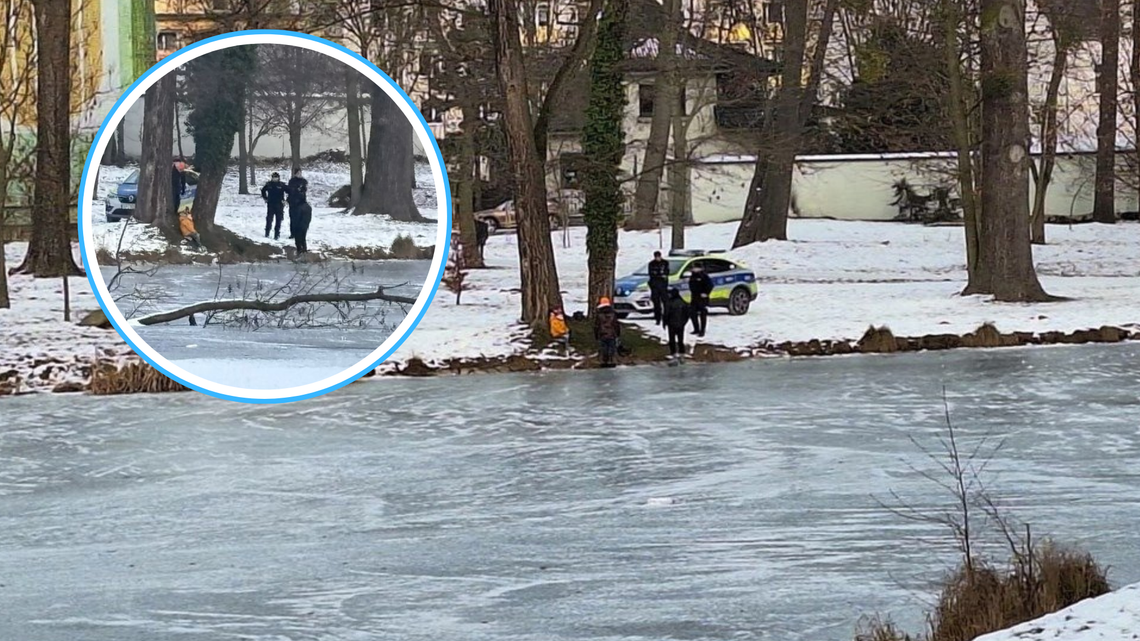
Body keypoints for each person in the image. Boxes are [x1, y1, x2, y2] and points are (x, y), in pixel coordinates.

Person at [593, 297, 621, 368]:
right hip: (612, 334)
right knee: (611, 348)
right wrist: (617, 334)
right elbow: (616, 325)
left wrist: (596, 335)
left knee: (603, 348)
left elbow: (597, 326)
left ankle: (604, 361)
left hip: (602, 334)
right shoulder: (613, 314)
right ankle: (611, 361)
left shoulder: (599, 314)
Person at [260, 172, 288, 240]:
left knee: (278, 220)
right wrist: (265, 198)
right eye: (273, 177)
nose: (275, 179)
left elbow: (289, 191)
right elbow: (263, 191)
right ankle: (267, 232)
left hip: (279, 204)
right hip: (271, 204)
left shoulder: (281, 185)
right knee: (269, 219)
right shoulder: (269, 184)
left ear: (278, 178)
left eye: (276, 177)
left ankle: (277, 234)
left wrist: (286, 200)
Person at [688, 264, 713, 337]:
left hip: (702, 298)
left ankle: (702, 331)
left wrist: (706, 293)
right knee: (692, 313)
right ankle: (696, 329)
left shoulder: (704, 276)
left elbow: (710, 285)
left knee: (702, 314)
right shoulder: (693, 276)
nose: (693, 269)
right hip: (694, 297)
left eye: (695, 268)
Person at [664, 287, 690, 359]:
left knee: (672, 339)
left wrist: (665, 322)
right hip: (681, 324)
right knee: (680, 339)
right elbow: (687, 314)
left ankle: (673, 352)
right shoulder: (683, 302)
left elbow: (666, 314)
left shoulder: (669, 303)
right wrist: (684, 322)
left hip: (671, 323)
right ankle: (682, 352)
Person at [647, 250, 671, 326]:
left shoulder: (665, 263)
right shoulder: (651, 264)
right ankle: (657, 318)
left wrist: (661, 275)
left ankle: (666, 318)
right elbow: (651, 274)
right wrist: (659, 274)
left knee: (666, 303)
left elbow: (667, 272)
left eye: (658, 257)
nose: (657, 258)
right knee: (656, 304)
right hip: (655, 286)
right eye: (656, 257)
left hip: (663, 286)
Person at [285, 169, 308, 240]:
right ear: (295, 174)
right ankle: (293, 233)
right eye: (298, 173)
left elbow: (304, 190)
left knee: (300, 219)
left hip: (301, 202)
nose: (299, 174)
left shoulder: (304, 181)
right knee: (293, 219)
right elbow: (290, 191)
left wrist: (301, 190)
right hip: (293, 202)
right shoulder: (292, 181)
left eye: (300, 173)